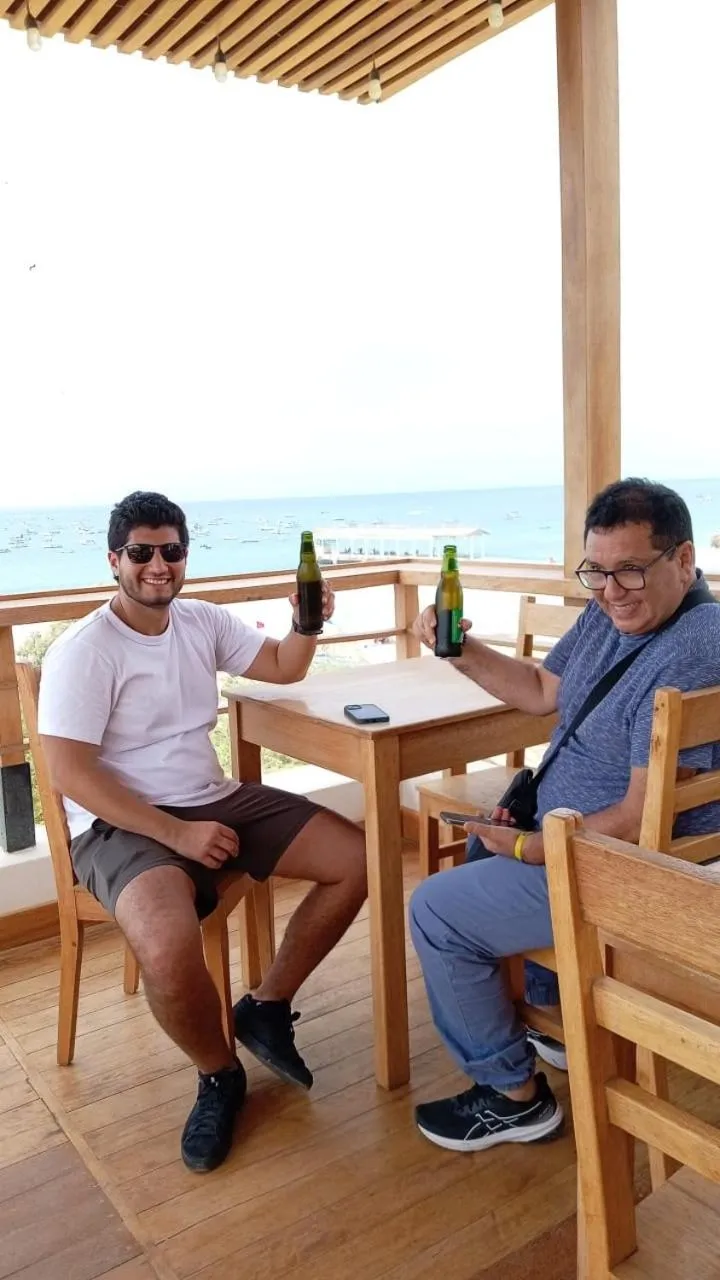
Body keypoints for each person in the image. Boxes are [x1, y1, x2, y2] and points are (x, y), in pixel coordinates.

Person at [38, 491, 367, 1173]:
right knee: (165, 948)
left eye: (171, 551)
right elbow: (68, 770)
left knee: (359, 859)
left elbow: (284, 665)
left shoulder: (200, 622)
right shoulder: (86, 650)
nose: (158, 565)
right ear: (114, 561)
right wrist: (176, 835)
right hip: (118, 821)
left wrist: (308, 624)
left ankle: (266, 1005)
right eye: (141, 552)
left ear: (185, 556)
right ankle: (219, 1073)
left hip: (210, 799)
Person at [409, 479, 720, 1153]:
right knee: (478, 854)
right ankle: (559, 1023)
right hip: (579, 840)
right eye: (596, 572)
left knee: (434, 909)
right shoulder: (615, 612)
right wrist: (460, 649)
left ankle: (513, 1096)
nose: (611, 590)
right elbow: (545, 691)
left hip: (627, 869)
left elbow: (642, 820)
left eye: (631, 570)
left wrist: (529, 848)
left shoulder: (693, 651)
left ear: (684, 560)